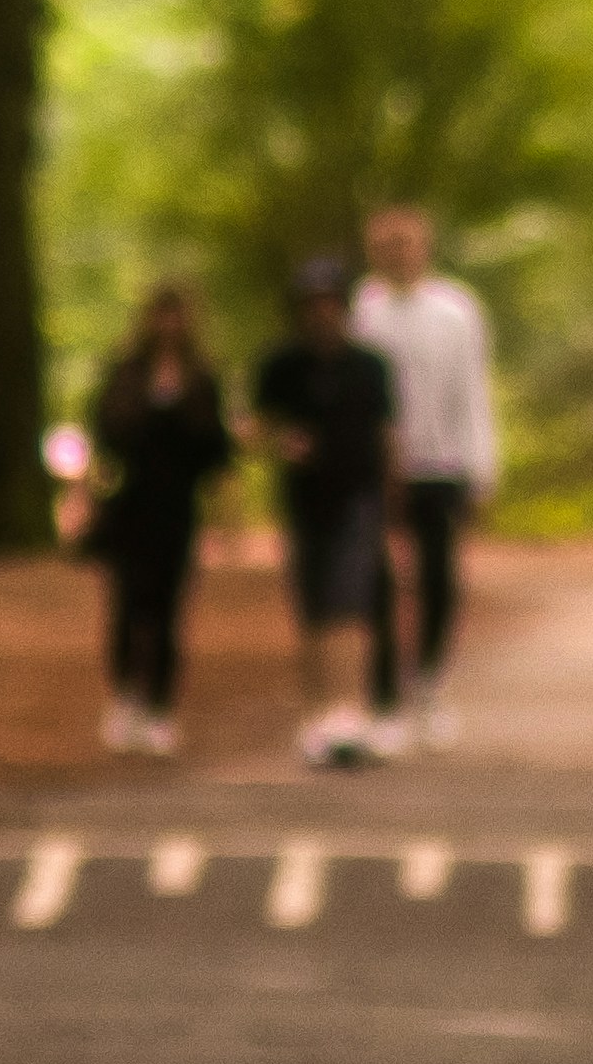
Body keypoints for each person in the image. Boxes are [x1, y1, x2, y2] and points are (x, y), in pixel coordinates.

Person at [245, 258, 405, 769]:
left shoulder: (369, 366)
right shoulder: (281, 366)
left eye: (330, 303)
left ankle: (350, 712)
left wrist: (393, 502)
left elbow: (389, 436)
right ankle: (317, 714)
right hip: (303, 501)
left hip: (357, 498)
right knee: (313, 608)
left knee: (351, 603)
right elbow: (253, 428)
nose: (321, 313)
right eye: (311, 304)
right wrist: (280, 442)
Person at [357, 203, 498, 750]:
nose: (397, 253)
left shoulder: (457, 311)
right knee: (377, 582)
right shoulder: (360, 311)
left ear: (425, 246)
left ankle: (430, 683)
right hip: (375, 471)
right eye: (386, 244)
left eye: (406, 242)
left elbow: (474, 393)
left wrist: (481, 468)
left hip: (440, 468)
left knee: (439, 581)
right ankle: (384, 696)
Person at [78, 282, 234, 756]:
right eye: (160, 315)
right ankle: (126, 697)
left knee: (168, 609)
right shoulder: (126, 373)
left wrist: (226, 513)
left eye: (176, 315)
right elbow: (105, 433)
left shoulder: (202, 378)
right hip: (129, 507)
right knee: (127, 604)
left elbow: (216, 450)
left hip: (177, 508)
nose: (168, 325)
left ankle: (161, 707)